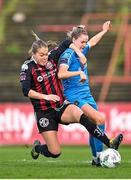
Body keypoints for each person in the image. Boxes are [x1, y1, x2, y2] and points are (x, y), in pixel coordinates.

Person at [20, 32, 123, 162]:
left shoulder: (52, 57)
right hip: (44, 112)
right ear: (33, 54)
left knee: (83, 116)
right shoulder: (27, 67)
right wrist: (46, 97)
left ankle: (109, 142)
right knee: (55, 152)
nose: (45, 57)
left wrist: (80, 54)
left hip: (60, 106)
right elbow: (26, 91)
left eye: (46, 54)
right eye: (41, 55)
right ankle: (37, 148)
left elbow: (67, 42)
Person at [58, 21, 112, 166]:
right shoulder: (68, 54)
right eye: (82, 42)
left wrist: (104, 31)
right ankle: (101, 158)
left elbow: (92, 42)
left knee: (95, 125)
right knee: (100, 119)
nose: (84, 44)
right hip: (75, 97)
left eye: (85, 42)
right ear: (73, 40)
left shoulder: (81, 50)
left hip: (87, 96)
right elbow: (61, 74)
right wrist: (79, 72)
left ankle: (95, 158)